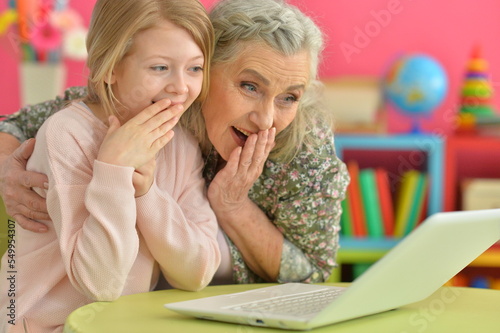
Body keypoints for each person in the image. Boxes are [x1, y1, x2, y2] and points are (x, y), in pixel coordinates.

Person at [0, 0, 349, 286]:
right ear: (207, 67)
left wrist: (233, 208)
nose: (267, 119)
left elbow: (310, 272)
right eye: (249, 86)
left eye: (289, 97)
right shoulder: (157, 103)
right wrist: (6, 166)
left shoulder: (304, 146)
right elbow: (20, 123)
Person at [0, 0, 222, 331]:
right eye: (159, 68)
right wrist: (113, 171)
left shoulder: (182, 145)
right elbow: (100, 283)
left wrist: (147, 193)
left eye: (195, 68)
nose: (181, 87)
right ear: (110, 68)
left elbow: (198, 273)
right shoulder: (67, 135)